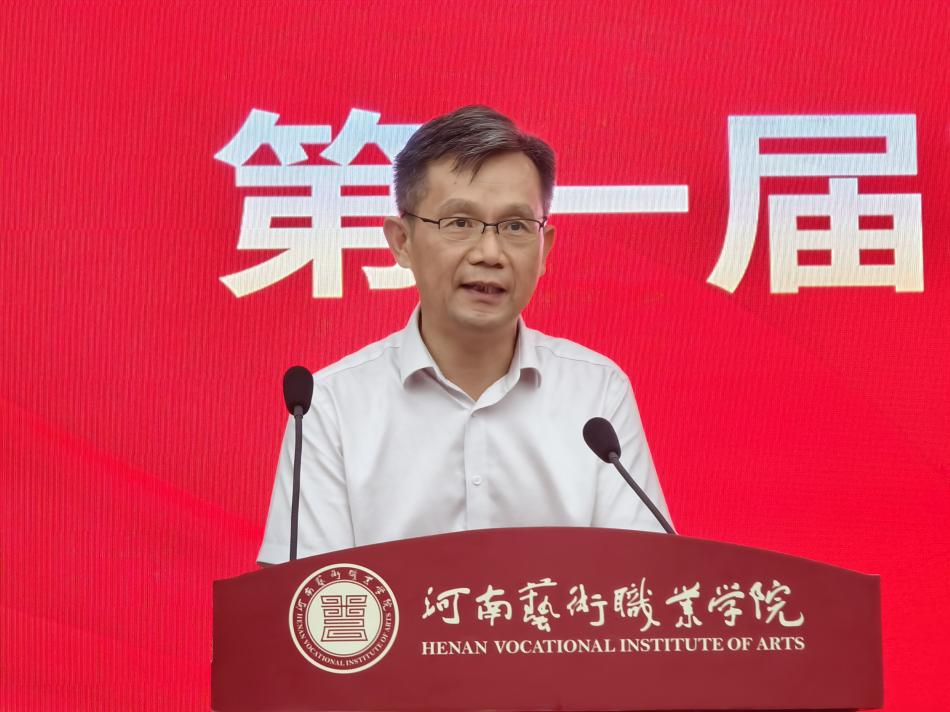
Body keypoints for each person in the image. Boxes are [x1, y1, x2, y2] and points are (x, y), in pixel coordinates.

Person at [257, 105, 671, 564]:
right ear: (401, 241)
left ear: (544, 249)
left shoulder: (596, 391)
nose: (489, 253)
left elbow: (645, 580)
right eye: (459, 223)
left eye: (515, 227)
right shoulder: (330, 405)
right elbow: (304, 596)